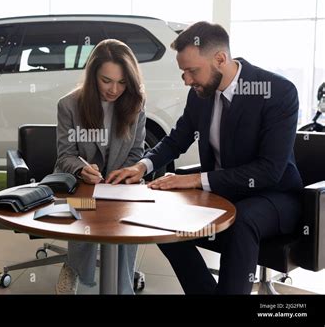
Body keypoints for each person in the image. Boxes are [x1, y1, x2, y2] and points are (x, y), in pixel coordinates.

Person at [106, 21, 303, 294]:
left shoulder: (277, 92)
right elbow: (177, 138)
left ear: (220, 59)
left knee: (242, 220)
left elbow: (269, 171)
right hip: (224, 193)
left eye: (191, 70)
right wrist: (142, 165)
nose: (186, 79)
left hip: (275, 196)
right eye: (183, 71)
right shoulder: (200, 94)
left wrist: (195, 180)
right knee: (161, 217)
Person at [54, 39, 146, 294]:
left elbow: (137, 153)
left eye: (122, 82)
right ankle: (75, 269)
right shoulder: (69, 105)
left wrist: (124, 173)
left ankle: (123, 286)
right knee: (83, 209)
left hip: (119, 187)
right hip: (83, 185)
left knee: (126, 222)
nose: (114, 89)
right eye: (106, 80)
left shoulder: (136, 103)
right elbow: (65, 155)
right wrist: (81, 170)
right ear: (93, 74)